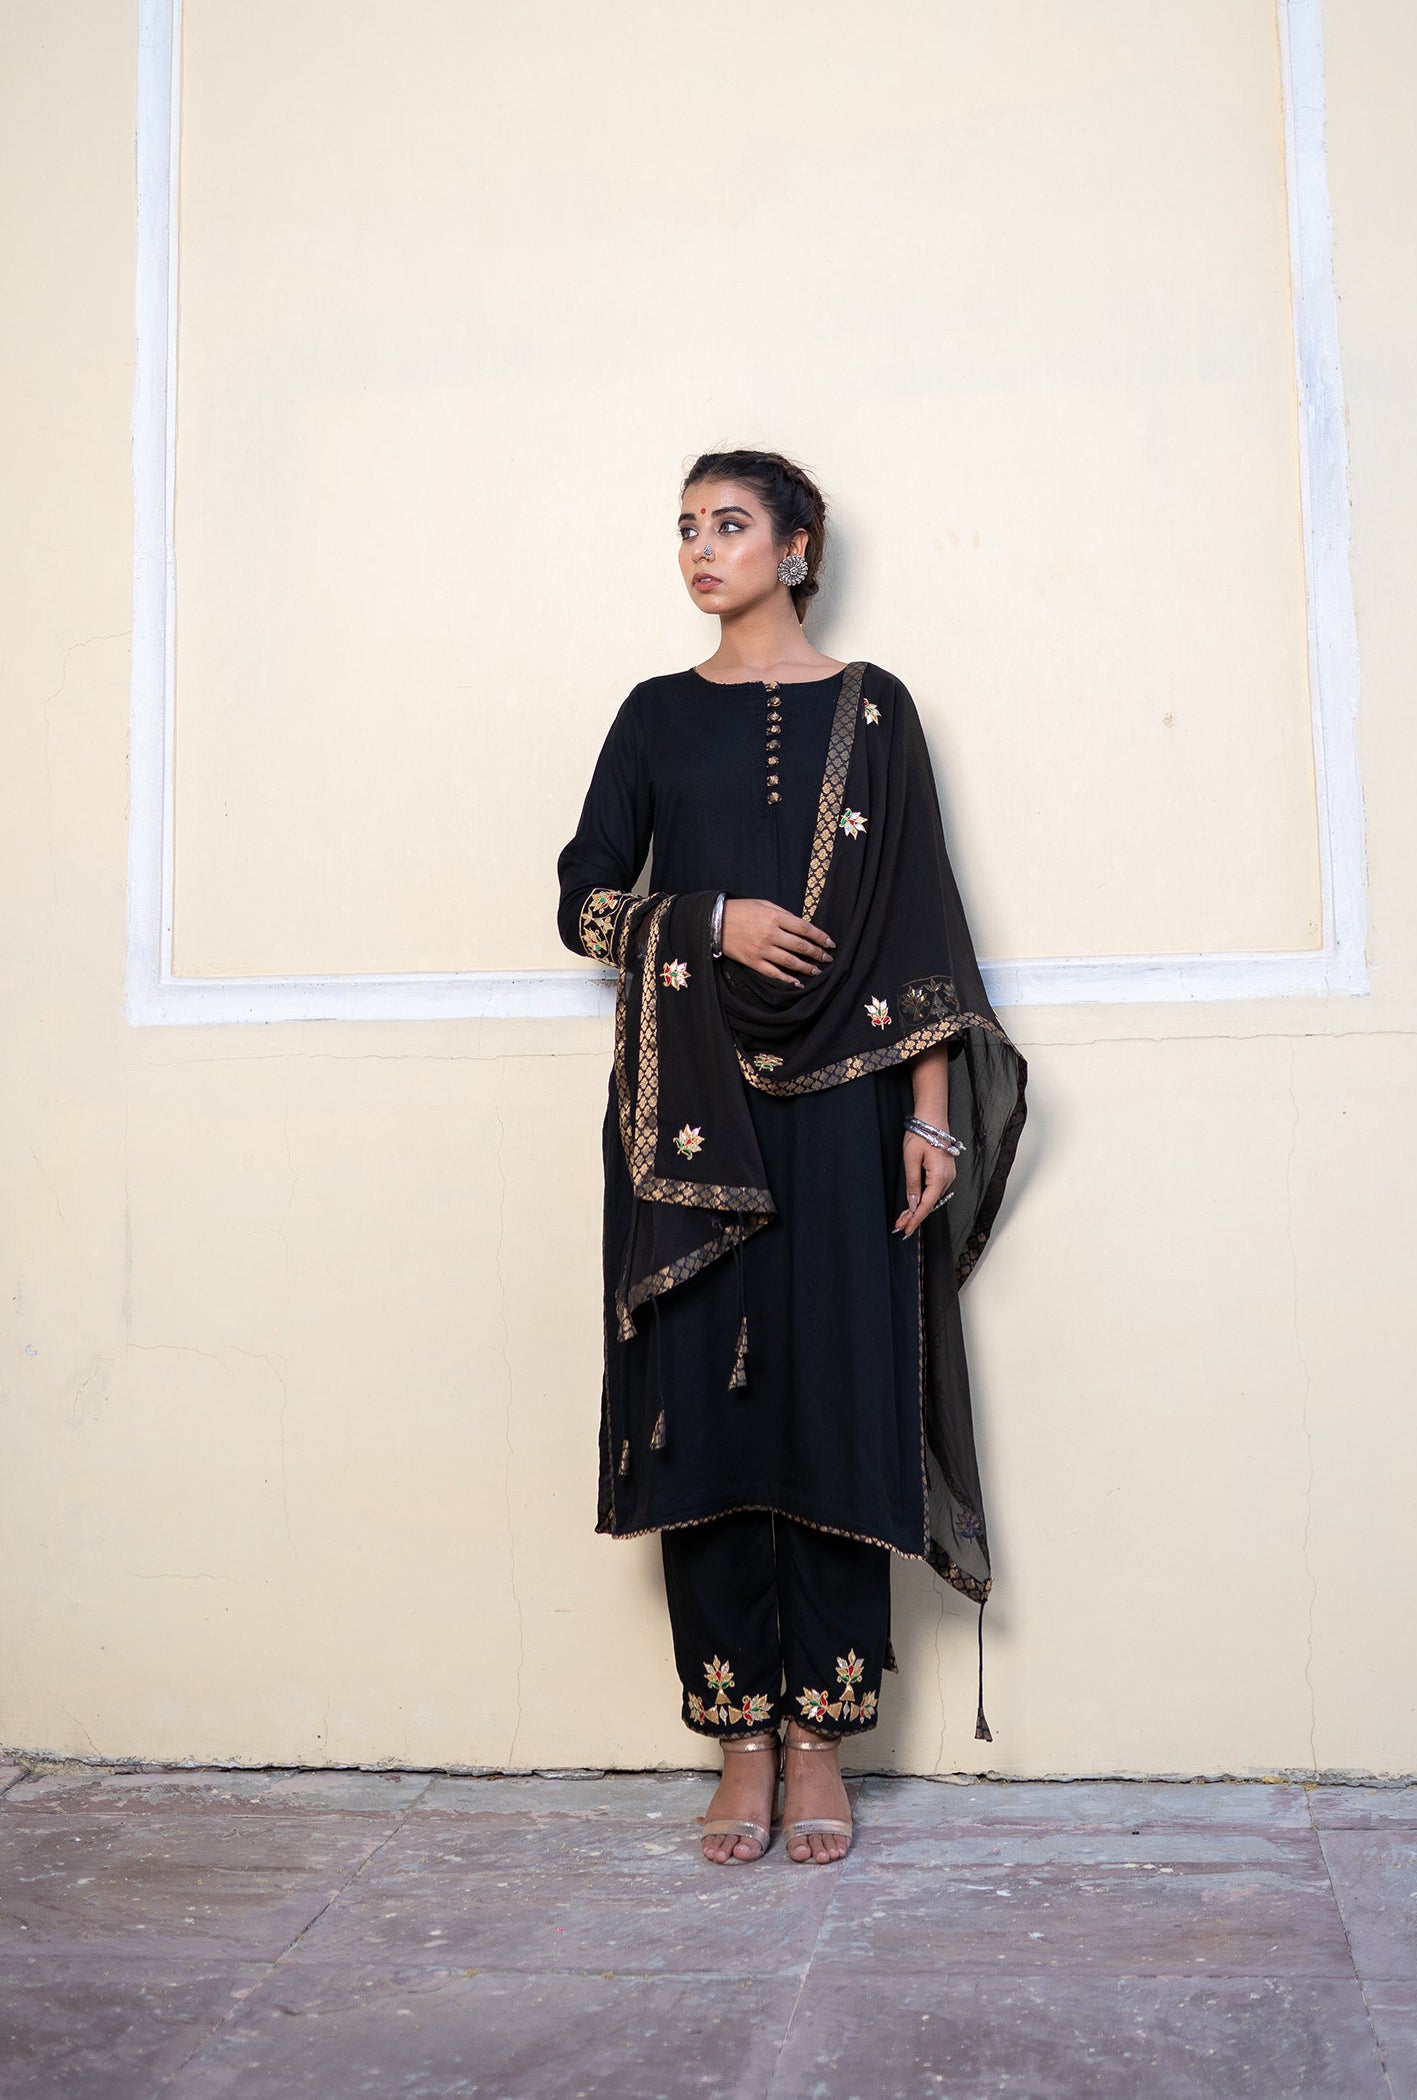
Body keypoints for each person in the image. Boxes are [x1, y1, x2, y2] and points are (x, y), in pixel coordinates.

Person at [556, 448, 1027, 1866]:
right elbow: (583, 904)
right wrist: (711, 922)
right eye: (686, 529)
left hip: (846, 1110)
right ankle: (737, 1741)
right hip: (688, 1112)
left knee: (834, 1401)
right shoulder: (653, 716)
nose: (701, 550)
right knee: (701, 1409)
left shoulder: (875, 712)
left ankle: (819, 1737)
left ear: (798, 548)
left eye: (730, 525)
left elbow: (916, 926)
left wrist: (931, 1115)